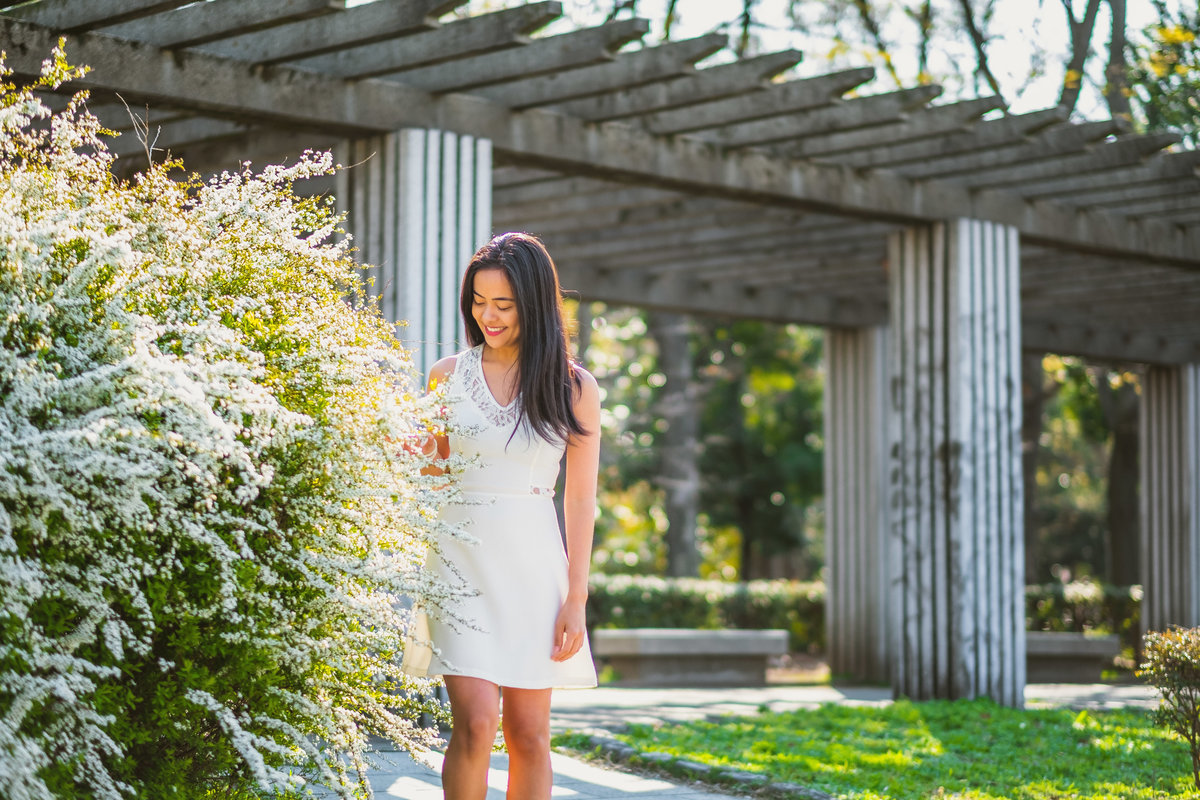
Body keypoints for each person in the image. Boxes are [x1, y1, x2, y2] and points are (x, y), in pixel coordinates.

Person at [421, 232, 600, 799]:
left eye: (504, 304)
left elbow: (580, 499)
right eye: (479, 301)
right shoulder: (446, 375)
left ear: (536, 302)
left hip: (534, 569)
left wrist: (576, 597)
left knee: (528, 734)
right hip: (459, 564)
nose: (488, 316)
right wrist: (407, 448)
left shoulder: (573, 385)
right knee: (475, 724)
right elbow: (433, 473)